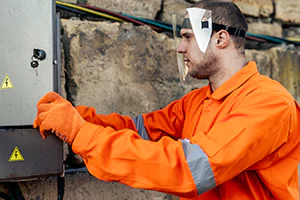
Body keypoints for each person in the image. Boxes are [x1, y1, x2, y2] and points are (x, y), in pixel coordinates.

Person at [33, 1, 300, 199]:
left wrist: (81, 134)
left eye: (187, 37)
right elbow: (139, 130)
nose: (180, 47)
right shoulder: (197, 101)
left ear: (220, 38)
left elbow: (188, 169)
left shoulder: (268, 103)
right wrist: (76, 118)